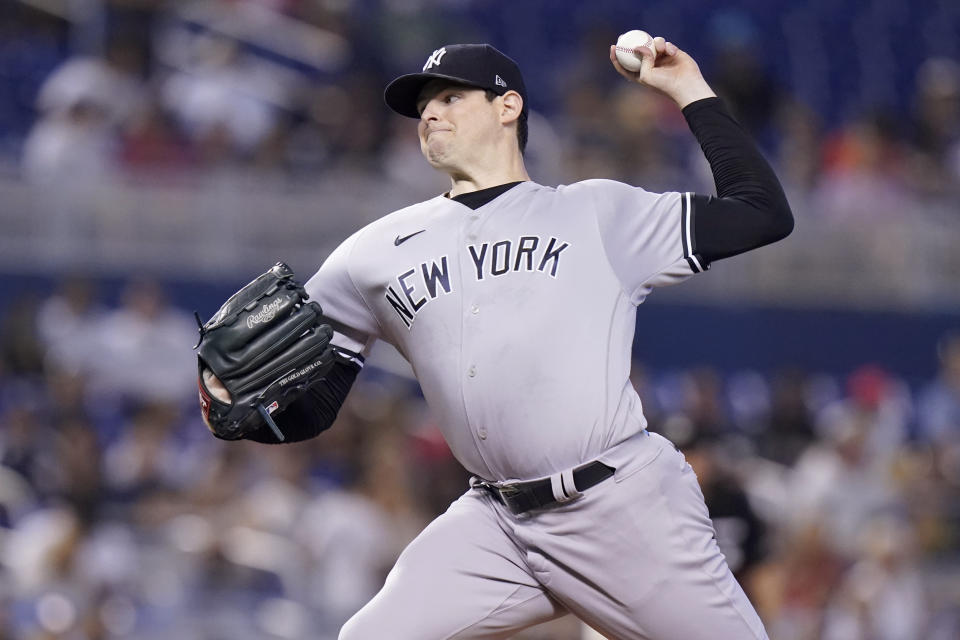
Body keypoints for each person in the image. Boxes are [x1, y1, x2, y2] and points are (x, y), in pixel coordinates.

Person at [228, 36, 793, 638]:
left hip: (619, 507)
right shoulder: (370, 255)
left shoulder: (597, 213)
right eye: (423, 104)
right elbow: (315, 405)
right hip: (497, 525)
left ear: (508, 107)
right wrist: (241, 411)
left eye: (449, 96)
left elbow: (761, 211)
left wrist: (687, 89)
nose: (429, 113)